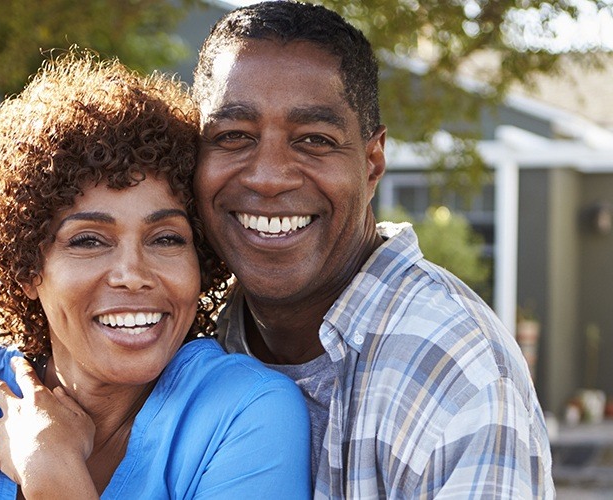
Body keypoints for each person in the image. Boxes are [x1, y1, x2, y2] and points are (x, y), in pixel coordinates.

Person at [0, 53, 310, 499]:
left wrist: (49, 468)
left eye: (165, 239)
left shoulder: (246, 413)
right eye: (88, 241)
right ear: (26, 268)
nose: (133, 275)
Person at [192, 2, 553, 498]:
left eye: (314, 140)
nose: (268, 177)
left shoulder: (457, 374)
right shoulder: (183, 334)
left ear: (372, 163)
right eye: (232, 137)